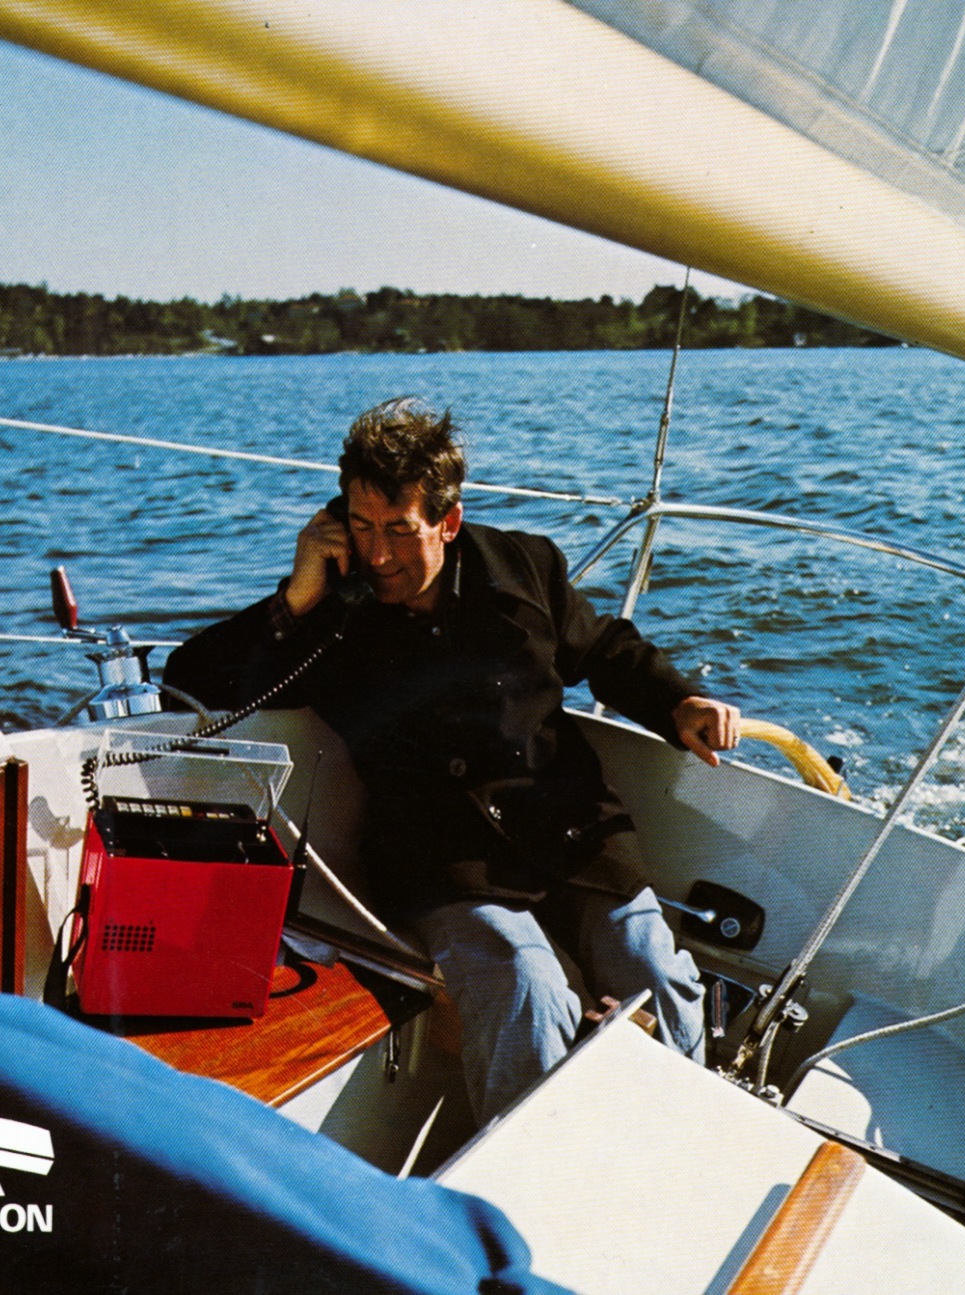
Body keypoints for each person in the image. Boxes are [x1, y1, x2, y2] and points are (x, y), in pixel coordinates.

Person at [164, 396, 740, 1123]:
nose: (377, 555)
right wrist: (299, 593)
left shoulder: (524, 567)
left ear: (449, 520)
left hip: (570, 832)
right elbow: (190, 678)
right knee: (527, 987)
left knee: (656, 972)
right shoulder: (335, 612)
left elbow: (603, 649)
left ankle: (685, 1141)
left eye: (399, 531)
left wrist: (677, 701)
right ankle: (528, 1186)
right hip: (444, 860)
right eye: (362, 526)